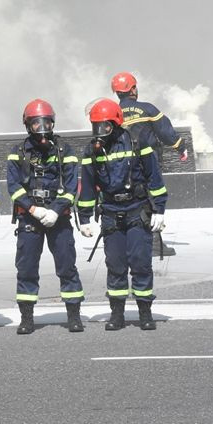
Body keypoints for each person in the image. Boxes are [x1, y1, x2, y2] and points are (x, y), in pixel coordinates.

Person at [77, 98, 168, 331]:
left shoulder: (138, 143)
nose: (99, 132)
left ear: (115, 123)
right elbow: (87, 187)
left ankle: (144, 313)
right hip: (110, 213)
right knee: (115, 265)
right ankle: (116, 314)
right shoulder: (92, 151)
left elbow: (154, 178)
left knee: (140, 263)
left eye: (104, 126)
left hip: (137, 210)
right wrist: (84, 218)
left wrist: (159, 209)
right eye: (95, 126)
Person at [6, 99, 85, 334]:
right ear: (27, 125)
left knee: (67, 266)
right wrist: (33, 209)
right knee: (27, 268)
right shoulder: (18, 152)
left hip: (58, 218)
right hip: (30, 218)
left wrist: (56, 210)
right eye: (36, 123)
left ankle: (73, 316)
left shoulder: (65, 150)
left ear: (53, 123)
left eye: (46, 123)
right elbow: (14, 187)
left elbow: (72, 187)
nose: (42, 128)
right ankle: (27, 318)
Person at [112, 71, 186, 257]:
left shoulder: (113, 113)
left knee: (130, 202)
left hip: (122, 168)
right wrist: (180, 146)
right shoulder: (148, 109)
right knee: (152, 199)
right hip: (148, 163)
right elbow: (165, 131)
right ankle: (153, 242)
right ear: (133, 89)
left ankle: (127, 240)